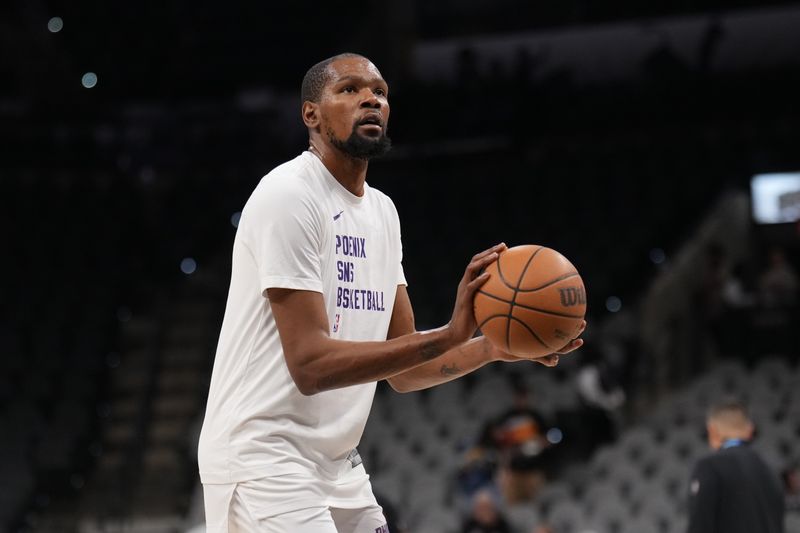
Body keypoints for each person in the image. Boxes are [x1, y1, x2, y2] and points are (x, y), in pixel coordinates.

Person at [197, 52, 585, 533]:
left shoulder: (382, 212)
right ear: (310, 114)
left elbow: (406, 371)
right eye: (350, 90)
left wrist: (490, 347)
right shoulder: (289, 195)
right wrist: (449, 334)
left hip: (335, 461)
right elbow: (310, 366)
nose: (370, 100)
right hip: (263, 456)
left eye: (379, 92)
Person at [687, 399, 785, 533]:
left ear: (712, 430)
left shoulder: (709, 466)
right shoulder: (770, 467)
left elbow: (700, 524)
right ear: (750, 430)